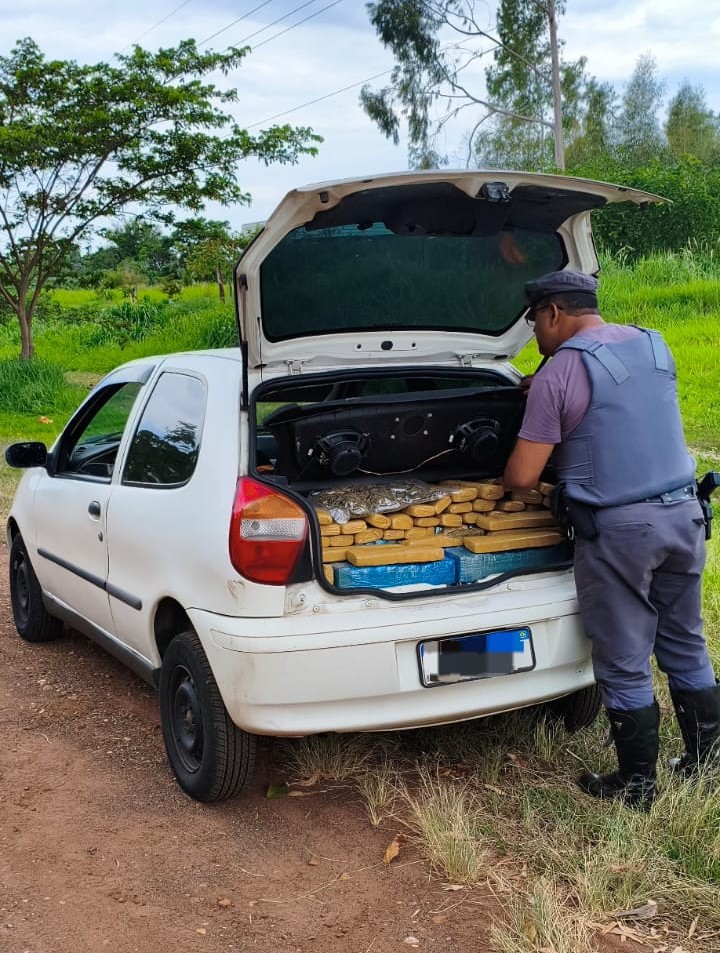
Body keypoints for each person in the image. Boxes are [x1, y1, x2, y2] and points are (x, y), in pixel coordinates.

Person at [503, 269, 720, 810]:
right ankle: (704, 765)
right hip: (685, 515)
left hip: (621, 530)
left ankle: (637, 785)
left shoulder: (559, 374)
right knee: (686, 643)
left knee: (623, 657)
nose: (536, 337)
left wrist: (544, 397)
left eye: (534, 323)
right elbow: (619, 404)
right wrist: (548, 388)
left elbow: (522, 479)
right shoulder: (654, 345)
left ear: (553, 312)